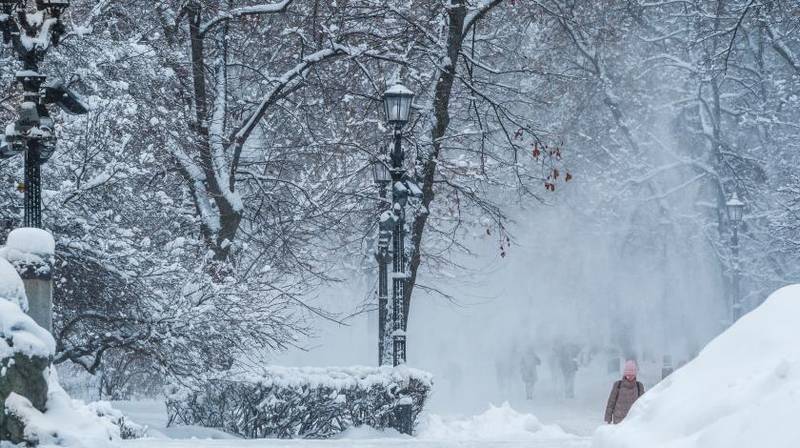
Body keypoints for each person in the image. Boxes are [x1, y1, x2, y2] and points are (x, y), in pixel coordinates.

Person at [604, 360, 645, 424]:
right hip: (618, 421)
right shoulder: (618, 385)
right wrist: (608, 418)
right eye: (628, 375)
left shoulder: (639, 386)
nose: (630, 377)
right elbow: (611, 403)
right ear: (625, 374)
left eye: (632, 375)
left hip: (633, 420)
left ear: (635, 375)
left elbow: (643, 404)